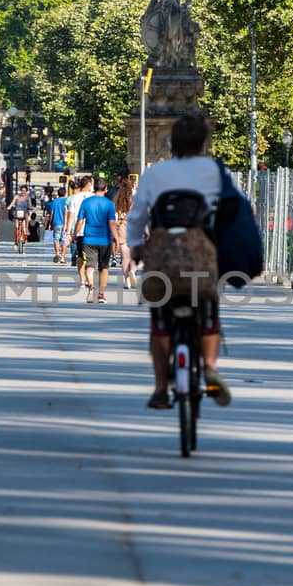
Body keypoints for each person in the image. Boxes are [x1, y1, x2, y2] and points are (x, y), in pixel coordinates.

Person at [126, 113, 231, 409]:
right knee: (208, 312)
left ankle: (161, 387)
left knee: (160, 321)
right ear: (203, 142)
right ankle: (210, 367)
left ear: (171, 143)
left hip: (162, 257)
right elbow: (229, 213)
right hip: (202, 254)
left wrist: (135, 247)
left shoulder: (154, 174)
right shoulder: (215, 171)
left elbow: (136, 218)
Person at [77, 178, 118, 303]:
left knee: (90, 266)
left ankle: (91, 285)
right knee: (104, 267)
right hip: (105, 239)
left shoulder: (86, 202)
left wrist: (74, 234)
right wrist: (116, 237)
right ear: (106, 189)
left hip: (88, 238)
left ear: (94, 188)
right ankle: (101, 294)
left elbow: (80, 221)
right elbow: (112, 223)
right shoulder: (109, 204)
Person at [112, 173, 137, 289]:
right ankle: (132, 270)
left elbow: (113, 215)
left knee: (124, 257)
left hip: (121, 227)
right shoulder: (134, 198)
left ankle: (127, 281)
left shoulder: (116, 199)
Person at [46, 184, 68, 263]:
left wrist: (50, 223)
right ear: (65, 193)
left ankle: (57, 253)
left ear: (58, 194)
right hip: (65, 224)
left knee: (56, 239)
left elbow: (51, 213)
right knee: (64, 240)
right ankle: (62, 258)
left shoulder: (54, 201)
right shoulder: (67, 201)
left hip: (56, 223)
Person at [9, 186, 33, 254]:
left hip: (25, 212)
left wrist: (31, 207)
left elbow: (30, 205)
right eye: (22, 190)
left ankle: (27, 228)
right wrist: (10, 206)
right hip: (17, 212)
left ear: (26, 191)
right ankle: (15, 241)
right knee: (16, 227)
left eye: (24, 190)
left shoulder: (28, 198)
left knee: (26, 216)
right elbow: (12, 203)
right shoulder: (17, 196)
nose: (23, 192)